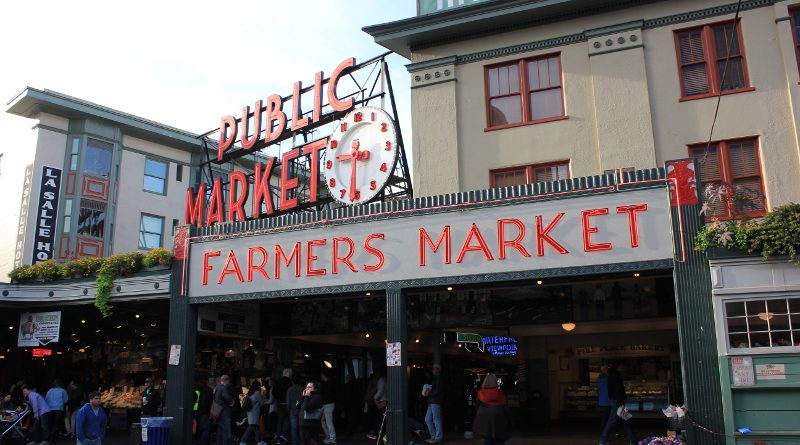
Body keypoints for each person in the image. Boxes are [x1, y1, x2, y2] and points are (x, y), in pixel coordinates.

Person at [599, 365, 636, 445]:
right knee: (622, 419)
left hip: (616, 401)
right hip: (618, 401)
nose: (603, 372)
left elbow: (616, 389)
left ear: (606, 369)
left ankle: (603, 439)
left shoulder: (612, 375)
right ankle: (632, 439)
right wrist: (622, 400)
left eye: (603, 371)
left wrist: (619, 400)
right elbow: (619, 388)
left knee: (617, 420)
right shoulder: (614, 375)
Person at [472, 373, 511, 445]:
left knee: (487, 438)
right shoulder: (501, 393)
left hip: (484, 419)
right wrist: (509, 420)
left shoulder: (480, 393)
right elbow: (505, 408)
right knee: (499, 439)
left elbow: (477, 406)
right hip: (499, 418)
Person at [240, 380, 267, 445]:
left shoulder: (250, 393)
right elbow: (262, 403)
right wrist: (264, 396)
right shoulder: (257, 393)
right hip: (255, 412)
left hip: (250, 412)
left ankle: (259, 441)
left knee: (255, 427)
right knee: (252, 427)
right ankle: (243, 441)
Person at [424, 364, 443, 444]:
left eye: (435, 368)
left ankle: (438, 437)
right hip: (431, 401)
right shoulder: (434, 379)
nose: (433, 370)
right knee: (428, 419)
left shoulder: (439, 379)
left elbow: (437, 391)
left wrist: (428, 393)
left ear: (438, 369)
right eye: (433, 368)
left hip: (435, 401)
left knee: (436, 419)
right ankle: (434, 436)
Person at [366, 369, 386, 441]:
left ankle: (379, 436)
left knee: (380, 420)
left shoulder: (381, 380)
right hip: (385, 401)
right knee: (382, 420)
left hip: (381, 402)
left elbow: (380, 391)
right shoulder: (386, 379)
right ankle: (381, 435)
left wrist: (375, 398)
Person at [274, 369, 293, 444]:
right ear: (289, 374)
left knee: (280, 421)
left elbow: (274, 392)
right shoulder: (290, 382)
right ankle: (284, 434)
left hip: (280, 404)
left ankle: (278, 439)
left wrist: (278, 398)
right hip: (288, 404)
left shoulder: (278, 381)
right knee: (289, 419)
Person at [215, 375, 235, 445]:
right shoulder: (223, 388)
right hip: (224, 411)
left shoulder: (217, 387)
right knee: (226, 431)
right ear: (226, 381)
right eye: (228, 382)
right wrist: (232, 401)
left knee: (220, 430)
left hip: (218, 411)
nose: (228, 384)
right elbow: (226, 397)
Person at [318, 372, 336, 445]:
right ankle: (329, 437)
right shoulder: (329, 383)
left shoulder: (327, 384)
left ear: (324, 375)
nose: (321, 377)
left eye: (322, 375)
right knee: (325, 421)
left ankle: (332, 438)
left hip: (327, 404)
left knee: (328, 422)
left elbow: (325, 395)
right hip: (329, 404)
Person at [286, 375, 304, 445]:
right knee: (301, 427)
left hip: (292, 411)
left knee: (294, 428)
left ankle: (294, 442)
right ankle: (302, 442)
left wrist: (288, 410)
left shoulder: (290, 389)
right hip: (301, 411)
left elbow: (288, 402)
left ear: (292, 381)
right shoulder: (302, 389)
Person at [196, 377, 214, 445]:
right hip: (205, 413)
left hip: (201, 412)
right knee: (206, 429)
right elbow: (207, 403)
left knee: (203, 429)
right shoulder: (208, 390)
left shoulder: (199, 389)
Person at [597, 365, 611, 429]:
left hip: (602, 401)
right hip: (608, 400)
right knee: (607, 415)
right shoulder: (607, 377)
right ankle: (606, 430)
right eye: (606, 369)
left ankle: (604, 429)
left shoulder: (599, 377)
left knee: (605, 415)